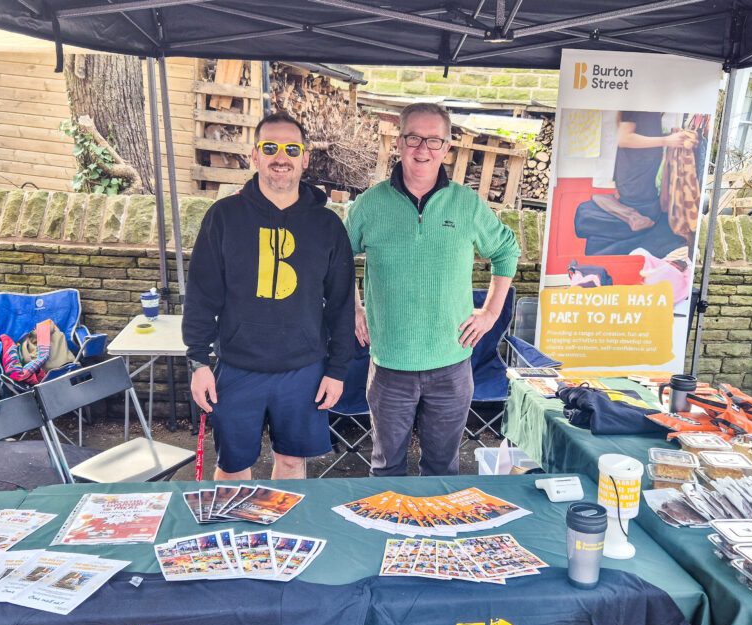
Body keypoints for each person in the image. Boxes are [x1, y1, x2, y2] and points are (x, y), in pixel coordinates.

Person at [345, 102, 519, 476]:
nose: (422, 149)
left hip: (451, 364)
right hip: (391, 362)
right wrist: (354, 309)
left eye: (433, 140)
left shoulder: (466, 204)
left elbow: (506, 250)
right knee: (386, 467)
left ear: (447, 147)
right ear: (399, 142)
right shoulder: (369, 205)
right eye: (413, 138)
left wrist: (490, 312)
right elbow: (336, 259)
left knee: (442, 470)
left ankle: (437, 535)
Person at [183, 112, 355, 481]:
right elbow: (200, 295)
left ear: (305, 158)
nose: (282, 157)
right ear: (255, 155)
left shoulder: (327, 226)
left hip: (303, 370)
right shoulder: (224, 217)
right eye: (271, 147)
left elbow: (342, 304)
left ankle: (284, 535)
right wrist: (198, 362)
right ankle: (233, 538)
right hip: (237, 369)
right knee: (231, 467)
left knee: (292, 462)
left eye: (292, 148)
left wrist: (337, 369)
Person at [574, 110, 691, 259]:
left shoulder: (647, 105)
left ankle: (634, 225)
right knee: (650, 218)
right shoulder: (640, 103)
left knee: (652, 217)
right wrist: (667, 141)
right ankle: (634, 224)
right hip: (637, 181)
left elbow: (631, 139)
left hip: (637, 178)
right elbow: (625, 139)